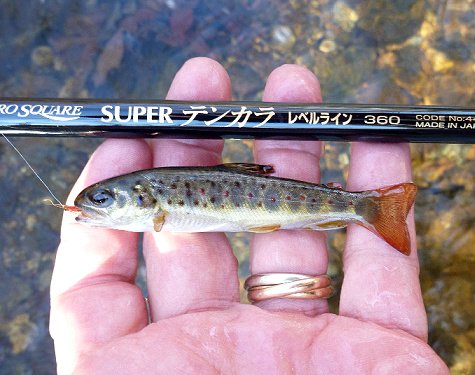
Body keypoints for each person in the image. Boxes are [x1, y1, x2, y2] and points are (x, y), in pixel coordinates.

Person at [49, 57, 449, 374]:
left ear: (142, 198)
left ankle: (371, 207)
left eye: (102, 200)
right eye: (101, 199)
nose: (92, 207)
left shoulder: (158, 202)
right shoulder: (153, 200)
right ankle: (367, 208)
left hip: (291, 203)